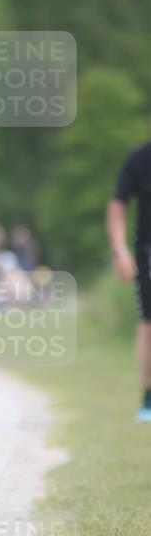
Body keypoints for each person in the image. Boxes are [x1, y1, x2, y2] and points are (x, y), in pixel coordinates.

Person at [107, 136, 151, 422]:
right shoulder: (139, 159)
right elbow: (117, 205)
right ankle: (148, 398)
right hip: (147, 254)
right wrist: (120, 251)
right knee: (148, 324)